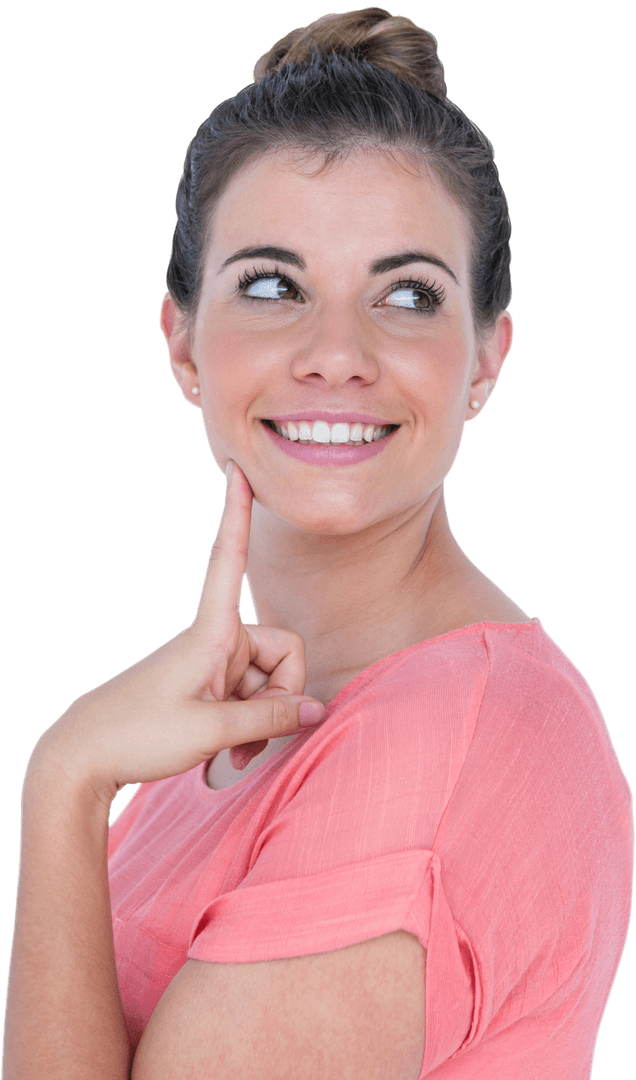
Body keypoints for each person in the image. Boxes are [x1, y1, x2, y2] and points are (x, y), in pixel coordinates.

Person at [3, 6, 633, 1078]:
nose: (336, 354)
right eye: (270, 285)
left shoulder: (441, 745)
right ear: (183, 344)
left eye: (405, 295)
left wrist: (62, 780)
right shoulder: (219, 732)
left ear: (483, 359)